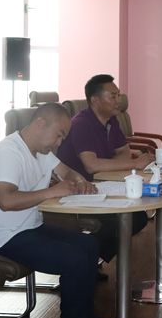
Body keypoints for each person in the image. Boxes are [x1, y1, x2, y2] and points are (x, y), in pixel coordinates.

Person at [0, 103, 101, 318]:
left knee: (89, 244)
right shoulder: (9, 152)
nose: (59, 143)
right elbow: (6, 200)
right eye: (59, 135)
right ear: (40, 124)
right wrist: (52, 191)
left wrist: (79, 180)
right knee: (75, 259)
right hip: (2, 237)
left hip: (29, 228)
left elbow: (66, 171)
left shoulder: (41, 152)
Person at [57, 74, 152, 267]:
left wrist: (110, 163)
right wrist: (133, 164)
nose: (118, 101)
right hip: (77, 191)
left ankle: (89, 261)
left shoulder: (111, 121)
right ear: (95, 100)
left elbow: (124, 154)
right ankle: (84, 261)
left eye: (118, 95)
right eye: (113, 96)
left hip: (101, 186)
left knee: (137, 217)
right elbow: (92, 165)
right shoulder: (81, 124)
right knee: (121, 221)